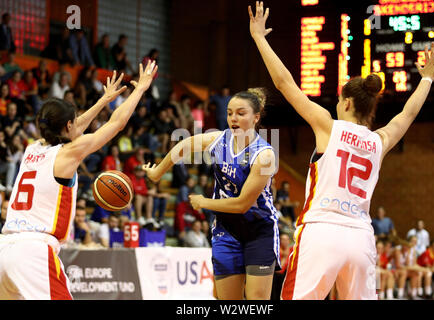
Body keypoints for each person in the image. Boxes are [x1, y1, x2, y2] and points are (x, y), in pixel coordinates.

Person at [248, 2, 434, 300]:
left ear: (348, 103)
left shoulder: (327, 126)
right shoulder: (380, 140)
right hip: (360, 237)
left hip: (322, 230)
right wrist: (428, 78)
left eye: (339, 101)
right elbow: (407, 114)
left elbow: (284, 83)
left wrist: (260, 38)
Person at [0, 61, 157, 299]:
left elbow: (74, 128)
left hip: (5, 248)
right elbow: (117, 124)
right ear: (68, 125)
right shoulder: (68, 153)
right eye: (74, 120)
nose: (79, 123)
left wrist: (103, 101)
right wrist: (140, 89)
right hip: (33, 252)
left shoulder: (33, 148)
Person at [144, 86, 279, 300]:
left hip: (258, 230)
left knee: (256, 301)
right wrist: (157, 173)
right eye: (229, 113)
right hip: (226, 229)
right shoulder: (218, 140)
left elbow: (242, 204)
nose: (233, 118)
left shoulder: (264, 155)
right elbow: (185, 144)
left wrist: (204, 202)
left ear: (256, 118)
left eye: (241, 113)